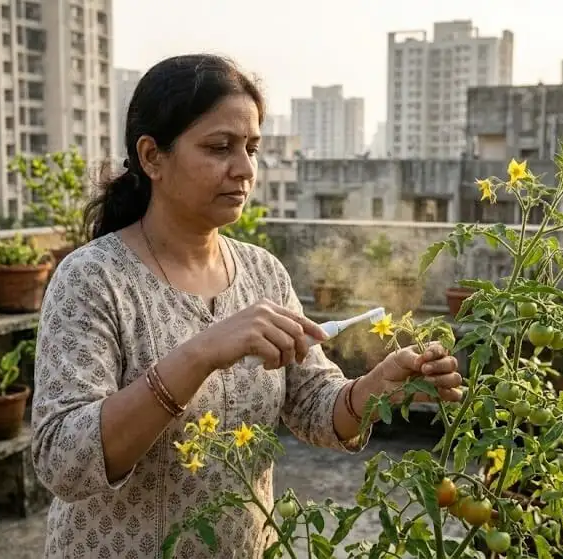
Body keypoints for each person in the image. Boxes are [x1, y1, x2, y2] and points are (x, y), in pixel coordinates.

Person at [30, 53, 464, 559]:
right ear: (152, 158)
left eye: (252, 148)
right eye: (219, 148)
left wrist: (374, 388)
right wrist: (199, 354)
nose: (244, 169)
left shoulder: (261, 272)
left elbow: (313, 407)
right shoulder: (92, 278)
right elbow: (63, 460)